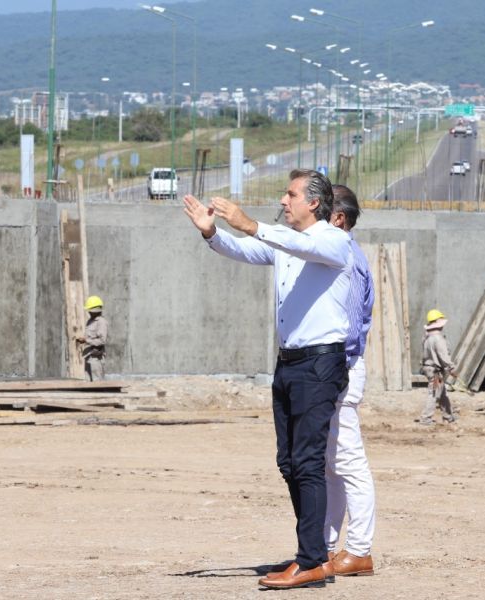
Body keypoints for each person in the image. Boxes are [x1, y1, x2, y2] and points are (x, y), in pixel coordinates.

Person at [183, 169, 352, 590]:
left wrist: (250, 223)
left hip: (320, 364)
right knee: (290, 462)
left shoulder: (333, 240)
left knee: (309, 462)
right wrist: (212, 234)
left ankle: (312, 559)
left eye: (290, 194)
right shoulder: (284, 243)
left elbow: (290, 240)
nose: (283, 199)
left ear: (314, 202)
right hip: (290, 364)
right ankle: (313, 551)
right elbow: (247, 249)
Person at [323, 184, 377, 577]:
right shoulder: (337, 256)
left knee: (348, 461)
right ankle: (327, 547)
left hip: (342, 368)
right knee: (331, 465)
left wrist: (334, 368)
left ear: (338, 219)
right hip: (337, 369)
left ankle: (358, 549)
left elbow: (353, 327)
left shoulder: (348, 260)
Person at [420, 309, 458, 425]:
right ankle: (425, 418)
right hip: (435, 371)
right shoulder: (438, 339)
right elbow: (443, 356)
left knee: (442, 393)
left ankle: (448, 416)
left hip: (429, 369)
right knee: (433, 393)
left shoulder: (426, 338)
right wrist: (451, 367)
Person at [76, 295, 108, 381]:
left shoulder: (101, 322)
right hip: (88, 355)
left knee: (97, 382)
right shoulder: (90, 321)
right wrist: (83, 340)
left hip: (96, 358)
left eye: (91, 310)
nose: (89, 312)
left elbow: (102, 341)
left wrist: (86, 340)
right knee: (88, 382)